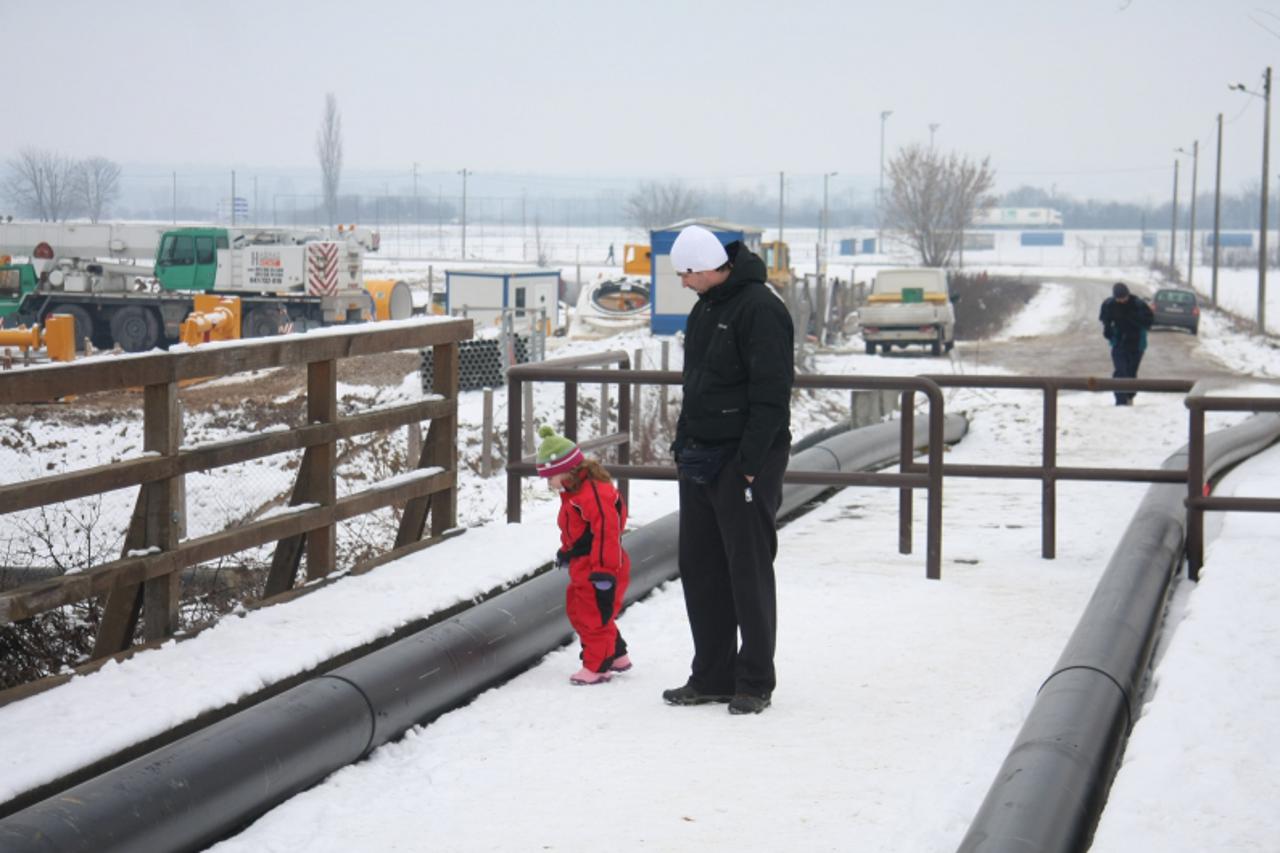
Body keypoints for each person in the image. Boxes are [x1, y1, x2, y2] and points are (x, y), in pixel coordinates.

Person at [662, 224, 795, 715]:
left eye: (686, 273)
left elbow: (772, 393)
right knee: (701, 566)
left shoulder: (760, 309)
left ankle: (754, 680)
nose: (682, 282)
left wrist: (749, 465)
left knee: (747, 569)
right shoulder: (706, 309)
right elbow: (696, 385)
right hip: (700, 455)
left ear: (707, 266)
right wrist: (683, 444)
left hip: (744, 459)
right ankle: (712, 675)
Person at [536, 425, 632, 685]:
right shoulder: (574, 492)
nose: (549, 484)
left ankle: (598, 666)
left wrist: (604, 570)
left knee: (592, 616)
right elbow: (579, 530)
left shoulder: (592, 493)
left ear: (565, 470)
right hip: (584, 562)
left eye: (550, 477)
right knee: (582, 611)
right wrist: (567, 552)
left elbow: (606, 531)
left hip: (600, 566)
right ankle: (616, 654)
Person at [1099, 281, 1153, 405]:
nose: (1121, 301)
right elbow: (1105, 321)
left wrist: (1131, 318)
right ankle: (1120, 401)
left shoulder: (1138, 304)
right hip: (1118, 344)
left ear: (1128, 295)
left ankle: (1129, 396)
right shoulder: (1109, 304)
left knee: (1131, 372)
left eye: (1123, 298)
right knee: (1120, 371)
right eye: (1119, 298)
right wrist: (1108, 330)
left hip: (1137, 344)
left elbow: (1149, 322)